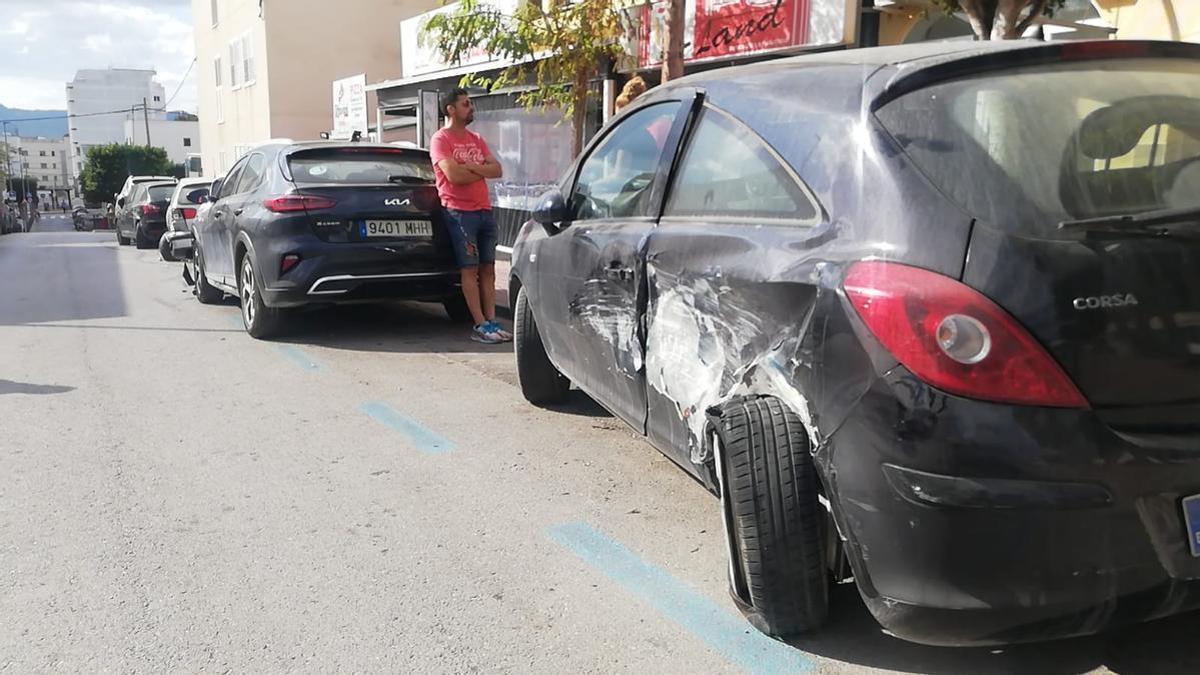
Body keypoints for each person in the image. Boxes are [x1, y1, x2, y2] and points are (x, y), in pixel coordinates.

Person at [429, 87, 511, 344]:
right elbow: (454, 177)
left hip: (483, 210)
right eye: (465, 104)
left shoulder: (476, 138)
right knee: (470, 268)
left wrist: (471, 167)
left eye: (470, 103)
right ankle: (480, 324)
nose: (471, 108)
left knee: (488, 268)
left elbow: (497, 169)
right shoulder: (441, 140)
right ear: (450, 109)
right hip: (460, 213)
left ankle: (492, 320)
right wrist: (481, 170)